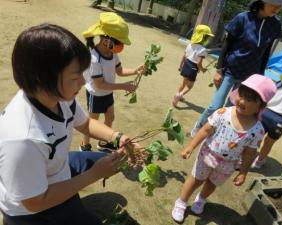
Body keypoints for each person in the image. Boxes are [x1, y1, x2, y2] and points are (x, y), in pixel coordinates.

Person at [0, 23, 138, 225]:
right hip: (32, 210)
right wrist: (93, 175)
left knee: (110, 162)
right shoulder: (23, 139)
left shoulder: (59, 97)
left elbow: (85, 125)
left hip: (56, 167)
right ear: (43, 79)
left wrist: (117, 138)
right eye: (75, 77)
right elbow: (34, 202)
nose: (83, 82)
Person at [171, 74, 276, 223]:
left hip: (229, 164)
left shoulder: (257, 130)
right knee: (196, 179)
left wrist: (244, 172)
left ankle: (201, 199)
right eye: (241, 94)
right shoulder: (223, 113)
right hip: (208, 153)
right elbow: (206, 130)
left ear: (261, 106)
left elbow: (249, 153)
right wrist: (190, 146)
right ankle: (181, 201)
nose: (242, 101)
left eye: (250, 99)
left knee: (212, 183)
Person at [190, 0, 282, 137]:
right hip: (231, 71)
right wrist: (219, 69)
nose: (278, 7)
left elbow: (266, 53)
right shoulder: (243, 18)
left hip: (250, 78)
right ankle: (200, 127)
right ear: (261, 2)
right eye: (274, 3)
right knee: (215, 106)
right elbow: (227, 45)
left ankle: (220, 135)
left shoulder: (275, 25)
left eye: (280, 4)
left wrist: (259, 77)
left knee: (233, 110)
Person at [80, 12, 144, 151]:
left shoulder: (113, 54)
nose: (121, 45)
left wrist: (135, 70)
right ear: (105, 40)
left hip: (107, 93)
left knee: (110, 117)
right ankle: (85, 144)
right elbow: (100, 84)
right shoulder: (94, 59)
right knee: (92, 122)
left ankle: (104, 141)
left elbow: (119, 71)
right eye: (119, 42)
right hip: (96, 94)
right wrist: (124, 86)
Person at [252, 58, 282, 168]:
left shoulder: (281, 82)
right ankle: (259, 162)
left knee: (255, 137)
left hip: (265, 113)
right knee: (269, 142)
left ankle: (245, 157)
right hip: (280, 120)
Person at [172, 25, 214, 107]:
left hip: (186, 65)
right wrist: (202, 69)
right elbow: (198, 63)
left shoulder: (190, 45)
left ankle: (178, 94)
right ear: (204, 38)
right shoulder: (202, 49)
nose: (208, 39)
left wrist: (180, 66)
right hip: (193, 68)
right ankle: (179, 95)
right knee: (189, 85)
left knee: (184, 82)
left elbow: (184, 56)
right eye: (208, 37)